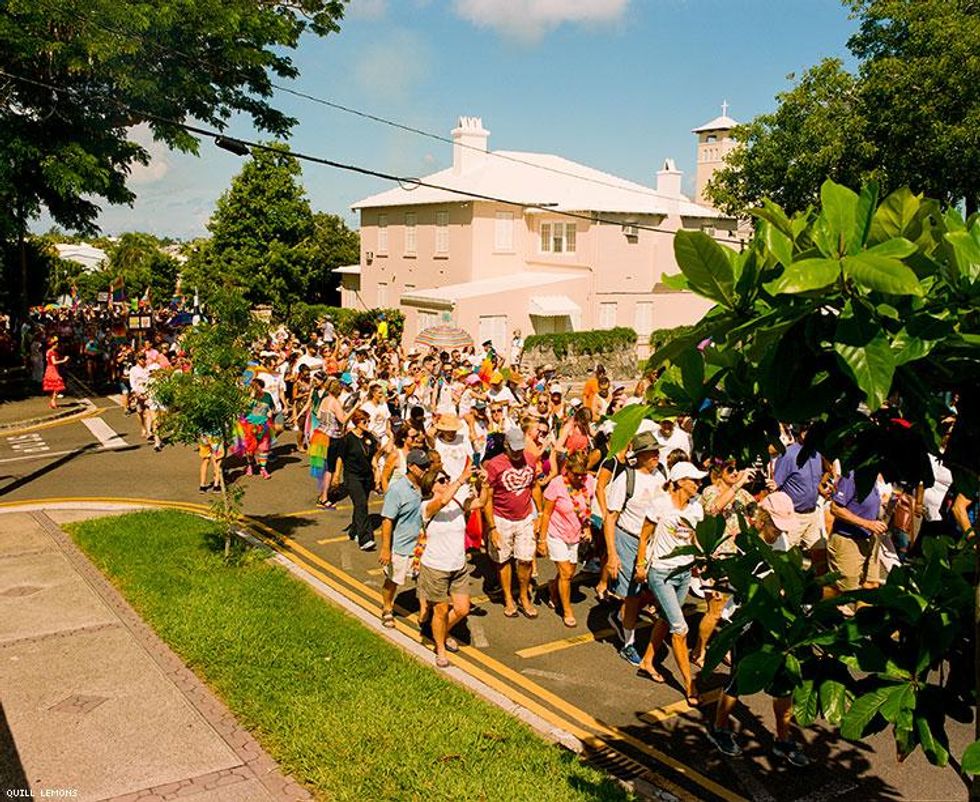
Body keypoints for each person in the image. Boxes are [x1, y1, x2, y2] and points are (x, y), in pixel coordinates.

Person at [707, 491, 812, 767]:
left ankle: (783, 739)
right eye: (776, 525)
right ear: (763, 519)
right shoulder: (746, 544)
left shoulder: (783, 540)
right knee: (739, 679)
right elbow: (742, 585)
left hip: (775, 622)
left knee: (784, 684)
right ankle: (719, 728)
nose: (779, 532)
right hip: (746, 621)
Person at [634, 461, 706, 705]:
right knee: (680, 629)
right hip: (661, 573)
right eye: (693, 480)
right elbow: (644, 537)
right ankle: (689, 683)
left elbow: (696, 538)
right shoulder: (660, 504)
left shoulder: (696, 508)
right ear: (679, 482)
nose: (698, 484)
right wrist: (641, 565)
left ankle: (647, 661)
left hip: (684, 573)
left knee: (666, 619)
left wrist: (703, 559)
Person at [417, 462, 488, 667]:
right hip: (436, 567)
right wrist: (460, 479)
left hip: (458, 566)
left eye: (447, 478)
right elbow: (442, 501)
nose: (446, 481)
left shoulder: (457, 503)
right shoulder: (426, 506)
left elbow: (481, 503)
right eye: (442, 480)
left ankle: (439, 630)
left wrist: (486, 484)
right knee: (440, 610)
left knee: (462, 609)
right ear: (432, 487)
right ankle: (440, 647)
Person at [604, 431, 665, 665]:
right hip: (629, 538)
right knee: (632, 595)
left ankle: (621, 619)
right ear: (639, 456)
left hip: (652, 541)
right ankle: (628, 643)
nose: (656, 455)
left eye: (657, 451)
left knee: (647, 590)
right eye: (651, 452)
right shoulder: (626, 479)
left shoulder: (661, 475)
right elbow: (611, 518)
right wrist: (612, 554)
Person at [692, 459, 755, 667]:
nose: (736, 472)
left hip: (736, 558)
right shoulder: (711, 490)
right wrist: (737, 487)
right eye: (731, 469)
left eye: (737, 469)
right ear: (719, 472)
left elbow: (756, 515)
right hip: (715, 558)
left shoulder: (743, 494)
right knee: (715, 609)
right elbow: (712, 510)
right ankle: (698, 650)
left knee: (731, 610)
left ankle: (724, 647)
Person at [484, 427, 542, 618]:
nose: (518, 453)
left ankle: (524, 595)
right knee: (503, 560)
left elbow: (534, 487)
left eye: (520, 449)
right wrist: (492, 527)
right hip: (501, 518)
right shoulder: (494, 465)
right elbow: (488, 498)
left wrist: (539, 514)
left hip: (525, 517)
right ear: (506, 446)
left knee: (525, 560)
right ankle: (508, 597)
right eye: (514, 449)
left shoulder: (530, 460)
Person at [537, 451, 595, 627]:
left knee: (569, 571)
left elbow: (587, 509)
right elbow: (546, 514)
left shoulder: (589, 482)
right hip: (557, 533)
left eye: (582, 474)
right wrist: (542, 539)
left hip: (575, 534)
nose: (579, 478)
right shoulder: (556, 484)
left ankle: (553, 587)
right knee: (566, 574)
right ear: (567, 471)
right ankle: (567, 610)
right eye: (575, 474)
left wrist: (588, 527)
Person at [379, 448, 431, 628]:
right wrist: (386, 548)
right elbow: (387, 520)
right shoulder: (397, 490)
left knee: (423, 580)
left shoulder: (425, 486)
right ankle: (387, 607)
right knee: (393, 580)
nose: (425, 470)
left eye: (427, 466)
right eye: (422, 467)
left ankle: (424, 612)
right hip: (401, 546)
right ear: (410, 466)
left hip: (420, 545)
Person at [828, 471, 886, 595]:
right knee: (845, 593)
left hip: (870, 539)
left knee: (871, 587)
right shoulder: (852, 477)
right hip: (848, 541)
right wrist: (867, 524)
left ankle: (862, 614)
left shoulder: (872, 477)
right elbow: (835, 508)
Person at [340, 409, 379, 550]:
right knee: (361, 503)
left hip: (366, 476)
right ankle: (365, 538)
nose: (367, 423)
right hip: (352, 476)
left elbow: (373, 456)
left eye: (368, 421)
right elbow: (340, 458)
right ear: (356, 422)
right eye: (364, 421)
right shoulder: (348, 438)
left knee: (360, 505)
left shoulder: (370, 437)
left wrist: (377, 472)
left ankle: (354, 530)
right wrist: (335, 476)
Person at [309, 378, 348, 508]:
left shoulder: (325, 399)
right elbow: (342, 420)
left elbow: (319, 415)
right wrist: (354, 409)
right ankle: (324, 497)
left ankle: (323, 494)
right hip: (332, 436)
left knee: (326, 466)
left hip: (321, 434)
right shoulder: (335, 402)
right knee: (329, 469)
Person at [238, 378, 275, 478]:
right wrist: (250, 397)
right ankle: (250, 466)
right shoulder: (247, 396)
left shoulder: (267, 396)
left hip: (263, 425)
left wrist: (270, 412)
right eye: (252, 386)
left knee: (264, 448)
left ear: (260, 386)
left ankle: (263, 468)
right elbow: (241, 408)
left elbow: (272, 408)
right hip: (249, 425)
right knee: (249, 448)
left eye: (255, 386)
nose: (253, 388)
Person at [42, 336, 68, 408]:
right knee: (57, 385)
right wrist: (64, 360)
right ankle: (53, 401)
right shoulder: (52, 352)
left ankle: (52, 401)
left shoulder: (48, 351)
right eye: (56, 344)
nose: (57, 345)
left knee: (53, 386)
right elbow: (54, 362)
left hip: (49, 369)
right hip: (52, 370)